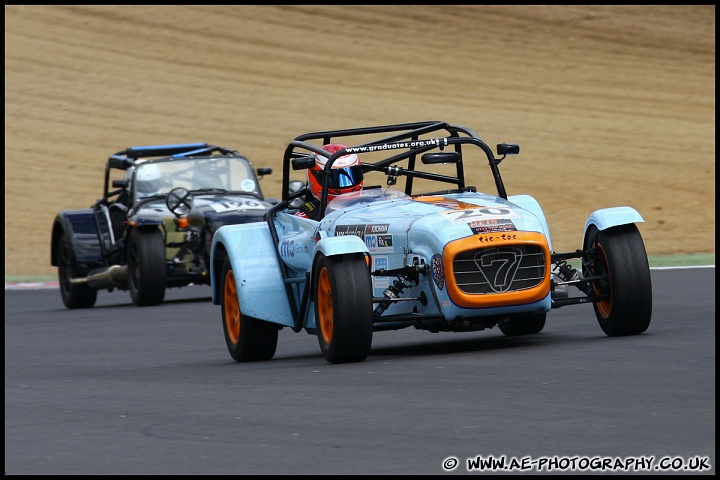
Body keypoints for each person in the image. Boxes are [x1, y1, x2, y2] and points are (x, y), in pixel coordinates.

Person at [295, 143, 364, 219]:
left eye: (350, 176)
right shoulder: (305, 218)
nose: (345, 187)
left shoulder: (370, 205)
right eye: (334, 179)